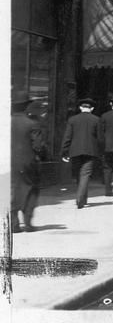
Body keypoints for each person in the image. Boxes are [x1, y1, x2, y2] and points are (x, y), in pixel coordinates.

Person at [11, 98, 49, 232]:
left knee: (13, 189)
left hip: (8, 161)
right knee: (31, 188)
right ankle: (27, 223)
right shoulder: (32, 124)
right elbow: (38, 146)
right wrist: (44, 155)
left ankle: (14, 224)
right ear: (26, 107)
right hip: (27, 161)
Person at [61, 97, 102, 209]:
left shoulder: (72, 119)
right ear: (92, 108)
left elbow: (67, 137)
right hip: (91, 151)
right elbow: (100, 138)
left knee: (79, 174)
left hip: (75, 151)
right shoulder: (96, 120)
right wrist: (100, 151)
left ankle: (82, 198)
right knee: (86, 174)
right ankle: (81, 198)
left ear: (80, 107)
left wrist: (64, 152)